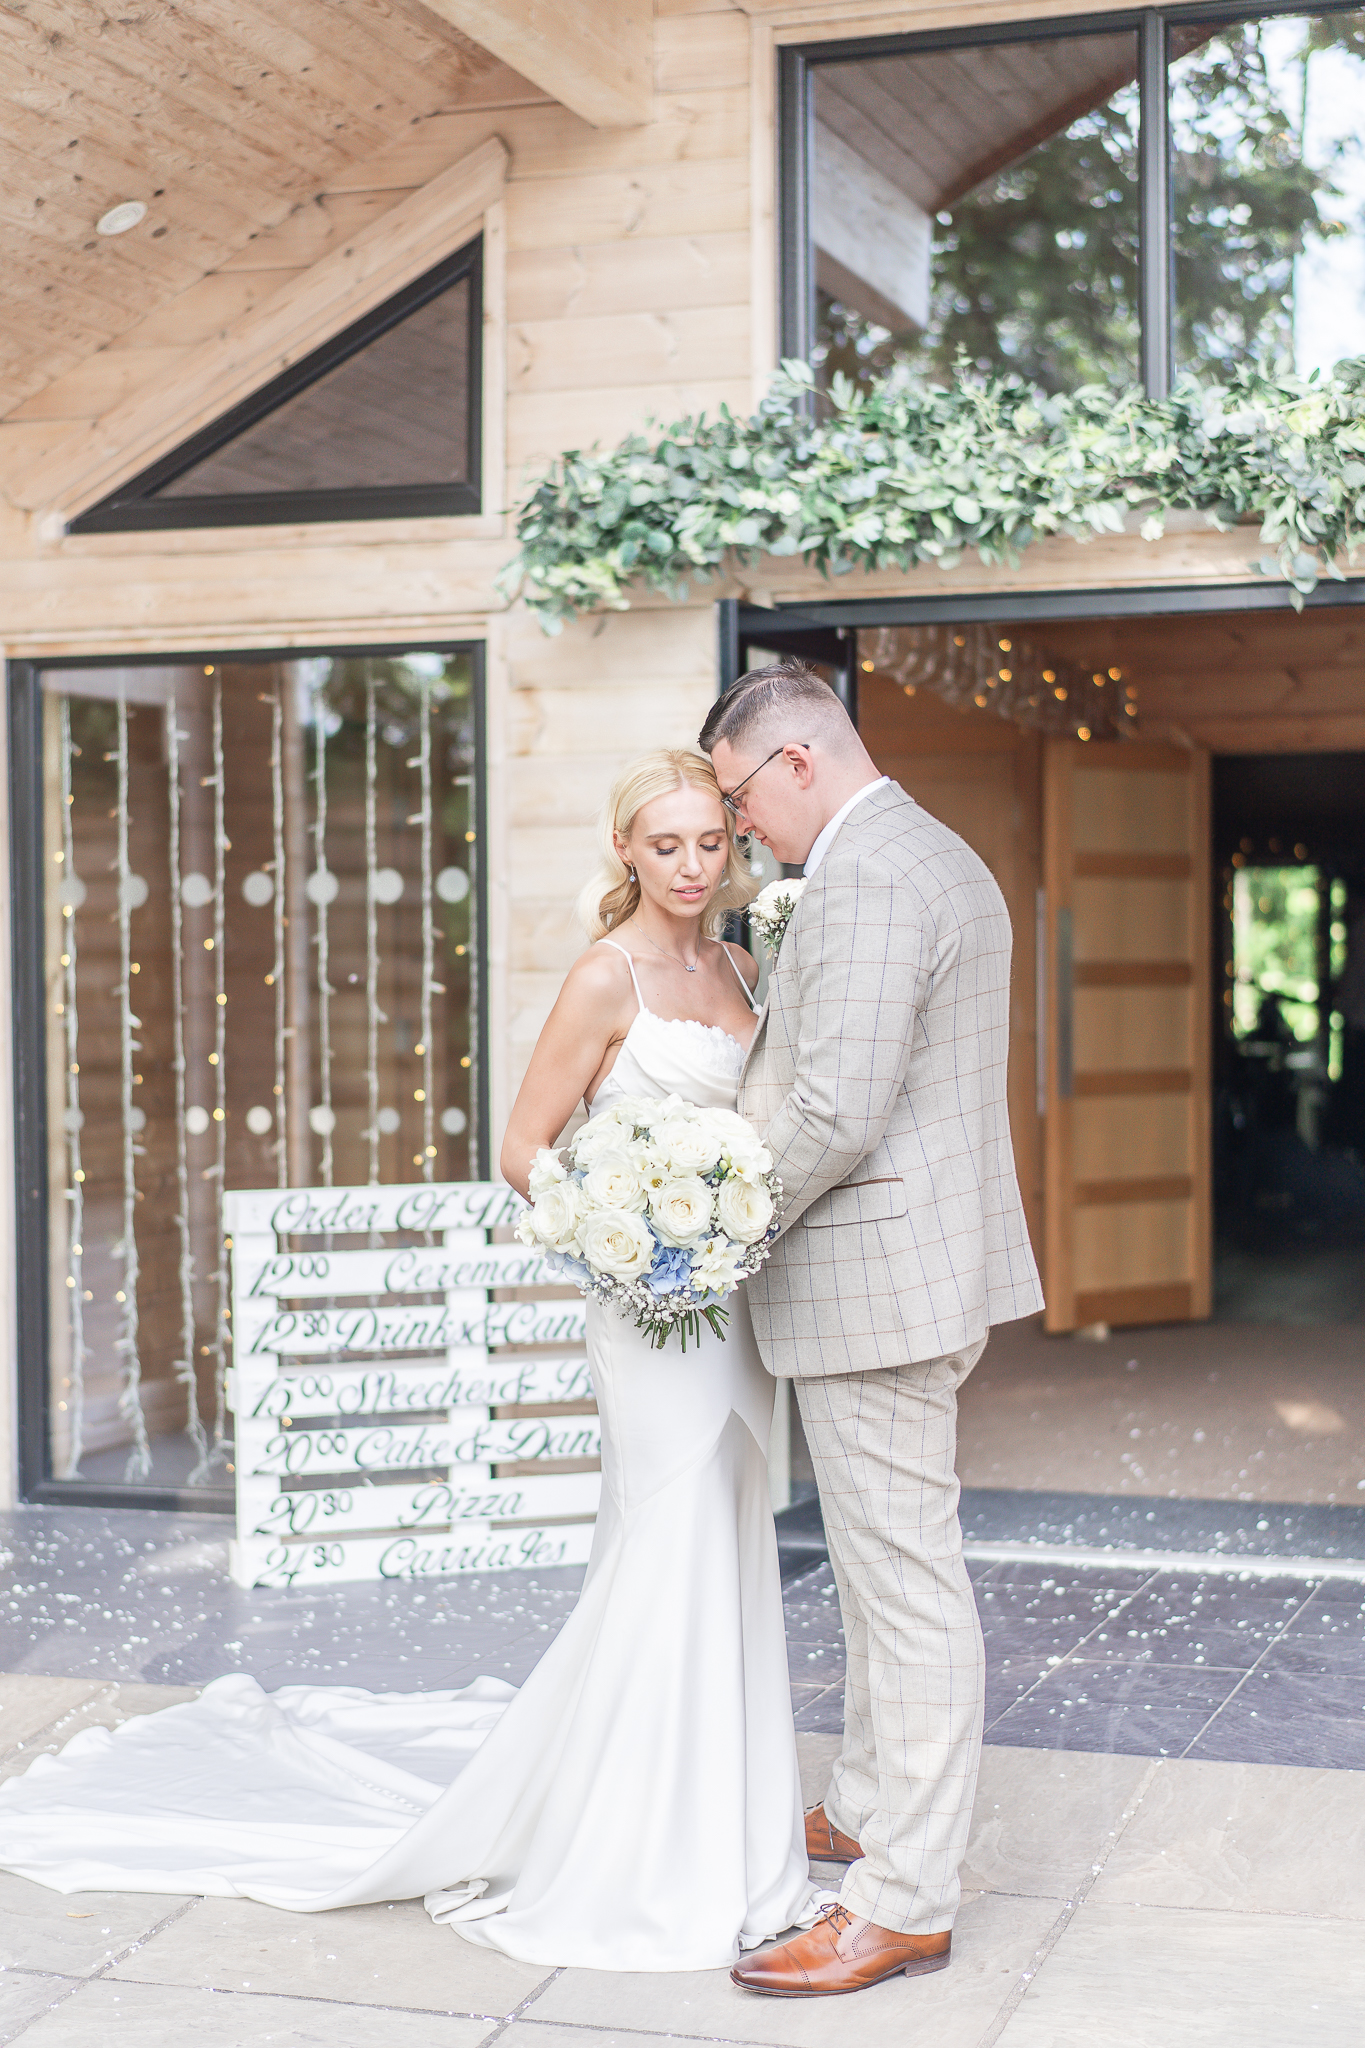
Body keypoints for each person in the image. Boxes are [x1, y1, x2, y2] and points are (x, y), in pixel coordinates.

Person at [0, 748, 825, 1974]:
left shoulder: (744, 965)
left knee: (727, 1549)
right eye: (668, 845)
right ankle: (640, 1855)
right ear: (626, 852)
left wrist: (716, 1234)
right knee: (665, 1548)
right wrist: (640, 1235)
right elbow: (525, 1146)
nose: (696, 866)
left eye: (712, 841)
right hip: (647, 1315)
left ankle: (729, 1834)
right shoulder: (608, 978)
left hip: (729, 1313)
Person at [701, 662, 1043, 2000]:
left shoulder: (876, 872)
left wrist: (717, 1227)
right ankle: (863, 1804)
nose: (739, 835)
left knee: (904, 1589)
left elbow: (836, 1108)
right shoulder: (919, 849)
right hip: (906, 1272)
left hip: (877, 1286)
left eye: (737, 801)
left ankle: (900, 1899)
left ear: (793, 762)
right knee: (874, 1572)